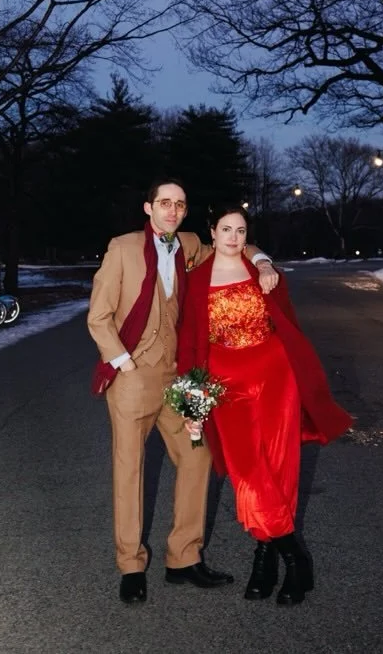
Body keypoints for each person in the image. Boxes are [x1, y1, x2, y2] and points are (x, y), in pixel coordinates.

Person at [87, 179, 279, 605]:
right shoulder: (122, 248)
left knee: (198, 457)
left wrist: (263, 261)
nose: (172, 210)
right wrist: (122, 361)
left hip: (176, 377)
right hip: (133, 376)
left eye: (179, 204)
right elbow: (98, 316)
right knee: (129, 470)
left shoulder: (190, 244)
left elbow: (234, 244)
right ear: (149, 207)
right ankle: (131, 565)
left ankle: (183, 558)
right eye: (164, 203)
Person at [176, 207, 353, 606]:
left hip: (275, 375)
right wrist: (192, 405)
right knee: (248, 473)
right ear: (212, 233)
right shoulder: (196, 281)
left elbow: (285, 319)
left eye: (240, 231)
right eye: (226, 229)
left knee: (279, 465)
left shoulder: (262, 272)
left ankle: (264, 557)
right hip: (226, 385)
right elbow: (187, 346)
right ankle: (294, 556)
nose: (233, 237)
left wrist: (263, 261)